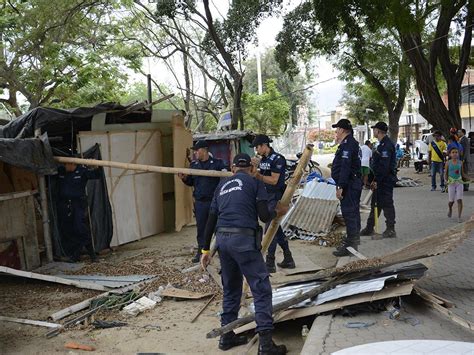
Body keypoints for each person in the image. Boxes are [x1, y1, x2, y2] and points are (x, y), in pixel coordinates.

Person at [200, 153, 288, 354]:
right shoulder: (254, 183)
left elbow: (210, 220)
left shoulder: (221, 187)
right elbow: (264, 215)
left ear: (232, 169)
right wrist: (278, 211)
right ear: (250, 168)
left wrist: (205, 250)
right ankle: (266, 345)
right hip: (243, 240)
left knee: (231, 288)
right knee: (261, 288)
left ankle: (227, 336)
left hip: (222, 241)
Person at [250, 134, 295, 273]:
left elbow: (274, 180)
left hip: (275, 196)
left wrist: (258, 176)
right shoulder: (263, 159)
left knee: (270, 229)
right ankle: (288, 258)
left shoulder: (278, 159)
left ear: (264, 145)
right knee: (275, 227)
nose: (256, 150)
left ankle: (270, 262)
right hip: (265, 196)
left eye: (257, 147)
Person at [179, 140, 227, 263]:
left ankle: (222, 254)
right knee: (202, 229)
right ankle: (201, 253)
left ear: (204, 150)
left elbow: (226, 175)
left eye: (197, 150)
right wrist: (184, 179)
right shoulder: (194, 165)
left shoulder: (217, 163)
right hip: (200, 203)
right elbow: (191, 182)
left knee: (218, 228)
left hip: (215, 202)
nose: (195, 153)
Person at [330, 119, 362, 256]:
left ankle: (351, 246)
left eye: (337, 129)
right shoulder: (347, 143)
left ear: (342, 130)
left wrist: (340, 186)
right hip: (351, 183)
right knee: (352, 213)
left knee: (349, 214)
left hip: (349, 184)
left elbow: (345, 167)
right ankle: (353, 242)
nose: (336, 132)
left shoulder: (348, 144)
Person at [57, 162, 101, 262]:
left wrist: (97, 167)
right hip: (65, 204)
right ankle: (75, 255)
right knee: (70, 229)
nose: (65, 166)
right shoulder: (62, 171)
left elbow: (97, 175)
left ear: (73, 164)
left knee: (80, 228)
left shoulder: (82, 171)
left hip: (78, 204)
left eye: (67, 164)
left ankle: (92, 254)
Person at [360, 122, 397, 239]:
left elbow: (384, 167)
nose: (373, 131)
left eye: (374, 129)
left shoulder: (386, 145)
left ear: (379, 131)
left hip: (385, 181)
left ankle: (391, 229)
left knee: (387, 204)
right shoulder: (381, 144)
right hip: (379, 180)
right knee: (376, 203)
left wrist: (377, 180)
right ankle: (369, 228)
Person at [445, 147, 468, 223]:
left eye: (456, 152)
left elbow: (463, 173)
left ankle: (459, 216)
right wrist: (446, 181)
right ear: (450, 154)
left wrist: (469, 178)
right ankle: (450, 208)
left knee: (459, 199)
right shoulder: (448, 163)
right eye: (453, 152)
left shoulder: (460, 162)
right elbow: (446, 173)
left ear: (458, 154)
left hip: (459, 182)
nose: (455, 154)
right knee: (451, 201)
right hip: (451, 183)